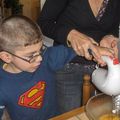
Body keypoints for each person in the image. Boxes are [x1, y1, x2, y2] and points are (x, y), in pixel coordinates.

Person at [37, 0, 120, 113]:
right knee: (70, 114)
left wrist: (109, 37)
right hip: (68, 65)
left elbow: (113, 27)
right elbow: (43, 22)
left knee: (102, 112)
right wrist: (70, 34)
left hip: (102, 67)